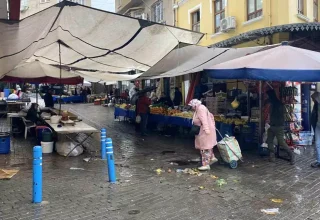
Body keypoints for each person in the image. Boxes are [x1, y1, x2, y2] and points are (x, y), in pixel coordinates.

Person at [266, 89, 295, 165]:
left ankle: (291, 154)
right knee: (269, 140)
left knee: (281, 142)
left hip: (278, 126)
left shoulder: (278, 105)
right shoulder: (275, 104)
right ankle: (272, 155)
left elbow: (280, 115)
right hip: (273, 126)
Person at [189, 99, 218, 171]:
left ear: (195, 105)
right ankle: (212, 158)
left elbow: (204, 120)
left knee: (205, 148)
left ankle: (206, 165)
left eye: (192, 106)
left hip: (204, 131)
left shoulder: (200, 109)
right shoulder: (200, 108)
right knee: (208, 145)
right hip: (205, 130)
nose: (191, 108)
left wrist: (207, 129)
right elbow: (211, 116)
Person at [311, 92, 320, 168]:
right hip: (318, 125)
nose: (313, 100)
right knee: (317, 143)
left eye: (313, 99)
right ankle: (319, 161)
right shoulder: (316, 105)